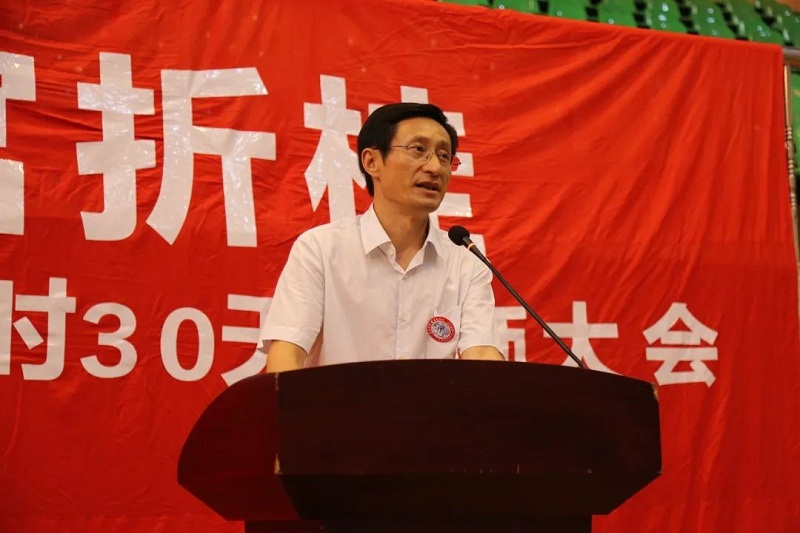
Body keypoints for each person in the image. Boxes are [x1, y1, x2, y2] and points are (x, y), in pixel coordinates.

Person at [259, 102, 504, 372]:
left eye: (444, 156)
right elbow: (287, 355)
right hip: (336, 402)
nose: (435, 167)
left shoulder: (465, 262)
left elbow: (482, 354)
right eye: (418, 150)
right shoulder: (321, 249)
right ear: (372, 162)